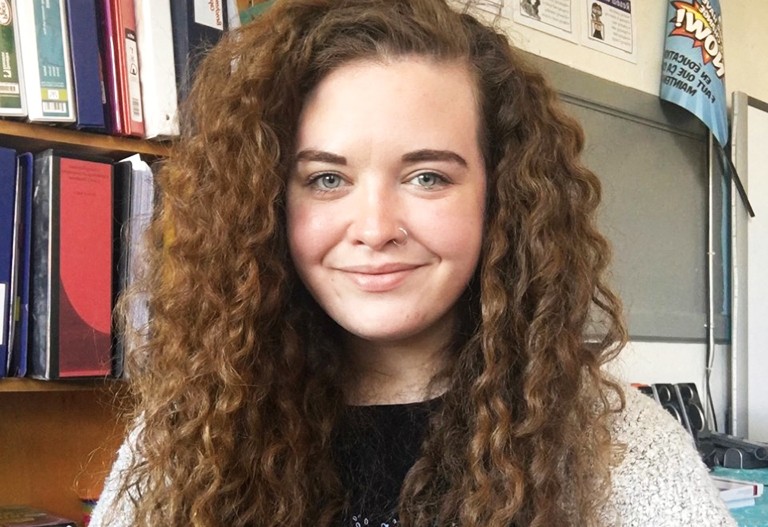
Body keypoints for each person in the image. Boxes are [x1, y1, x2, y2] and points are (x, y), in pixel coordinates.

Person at [90, 1, 736, 525]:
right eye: (325, 179)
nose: (374, 229)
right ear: (269, 201)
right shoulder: (187, 441)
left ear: (500, 196)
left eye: (427, 177)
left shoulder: (622, 454)